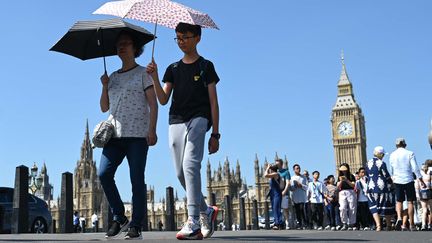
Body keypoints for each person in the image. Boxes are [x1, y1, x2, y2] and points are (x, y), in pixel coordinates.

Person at [146, 22, 219, 240]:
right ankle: (206, 210)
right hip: (176, 119)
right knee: (180, 173)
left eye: (185, 37)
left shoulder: (206, 66)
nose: (181, 42)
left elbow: (214, 102)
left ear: (197, 38)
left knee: (191, 164)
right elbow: (163, 98)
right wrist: (155, 77)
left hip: (199, 118)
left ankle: (193, 220)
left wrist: (215, 133)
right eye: (177, 38)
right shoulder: (173, 69)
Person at [98, 30, 158, 240]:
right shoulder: (112, 77)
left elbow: (153, 103)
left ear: (135, 48)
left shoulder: (144, 73)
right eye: (118, 45)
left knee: (136, 179)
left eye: (125, 43)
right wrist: (104, 87)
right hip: (115, 134)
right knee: (103, 173)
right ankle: (120, 216)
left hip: (137, 134)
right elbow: (104, 107)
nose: (121, 47)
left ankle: (136, 224)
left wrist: (152, 129)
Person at [389, 138, 426, 231]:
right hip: (408, 179)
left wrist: (393, 178)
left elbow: (391, 169)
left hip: (397, 180)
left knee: (399, 201)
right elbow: (415, 168)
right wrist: (421, 180)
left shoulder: (392, 155)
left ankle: (399, 218)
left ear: (396, 145)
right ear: (405, 144)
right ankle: (412, 224)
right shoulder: (410, 153)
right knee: (410, 202)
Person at [364, 146, 395, 231]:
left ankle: (378, 226)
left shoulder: (367, 163)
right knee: (385, 205)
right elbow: (386, 175)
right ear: (380, 154)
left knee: (374, 207)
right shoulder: (381, 163)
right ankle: (388, 225)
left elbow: (366, 176)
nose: (383, 156)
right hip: (381, 188)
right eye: (383, 154)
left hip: (370, 188)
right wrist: (391, 184)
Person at [337, 163, 357, 230]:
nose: (343, 171)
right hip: (342, 192)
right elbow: (338, 186)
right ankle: (344, 223)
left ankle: (351, 223)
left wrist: (347, 180)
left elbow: (353, 185)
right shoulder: (339, 176)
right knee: (342, 208)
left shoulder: (351, 176)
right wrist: (341, 181)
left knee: (352, 208)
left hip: (351, 192)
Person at [264, 163, 284, 230]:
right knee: (274, 209)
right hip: (273, 194)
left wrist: (267, 168)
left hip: (277, 194)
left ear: (272, 169)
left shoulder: (276, 174)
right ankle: (278, 223)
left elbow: (265, 175)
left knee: (276, 208)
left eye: (270, 169)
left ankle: (278, 223)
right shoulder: (273, 176)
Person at [290, 164, 308, 229]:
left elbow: (307, 187)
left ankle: (305, 223)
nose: (298, 169)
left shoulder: (304, 177)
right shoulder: (292, 178)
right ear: (294, 170)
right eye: (297, 168)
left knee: (302, 209)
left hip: (302, 197)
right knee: (297, 211)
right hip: (295, 197)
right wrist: (295, 186)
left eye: (299, 168)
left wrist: (301, 185)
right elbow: (291, 188)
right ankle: (300, 224)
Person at [418, 160, 432, 231]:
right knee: (431, 209)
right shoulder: (430, 174)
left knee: (424, 209)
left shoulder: (420, 175)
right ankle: (429, 224)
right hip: (429, 191)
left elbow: (417, 186)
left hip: (422, 192)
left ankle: (424, 224)